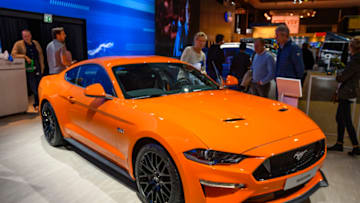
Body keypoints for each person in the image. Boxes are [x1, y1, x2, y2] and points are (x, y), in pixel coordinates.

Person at [328, 37, 360, 156]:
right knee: (340, 118)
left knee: (346, 120)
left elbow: (343, 77)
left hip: (347, 92)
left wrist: (338, 75)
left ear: (353, 47)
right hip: (348, 92)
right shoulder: (355, 59)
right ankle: (340, 143)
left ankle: (356, 146)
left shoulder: (355, 60)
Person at [11, 29, 45, 112]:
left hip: (37, 66)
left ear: (31, 35)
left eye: (28, 36)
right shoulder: (19, 44)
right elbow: (13, 54)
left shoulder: (36, 43)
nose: (26, 38)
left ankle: (40, 103)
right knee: (34, 87)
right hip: (28, 68)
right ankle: (36, 104)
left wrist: (42, 66)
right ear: (22, 37)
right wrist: (25, 57)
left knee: (40, 86)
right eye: (24, 36)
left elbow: (40, 55)